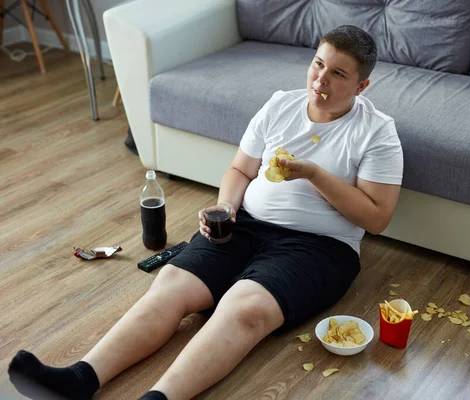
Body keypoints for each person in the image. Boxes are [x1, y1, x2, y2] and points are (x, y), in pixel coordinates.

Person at [8, 25, 403, 400]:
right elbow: (240, 170)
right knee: (171, 284)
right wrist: (226, 207)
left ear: (361, 85)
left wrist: (314, 173)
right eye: (318, 64)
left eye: (337, 74)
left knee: (242, 308)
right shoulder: (281, 104)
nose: (320, 81)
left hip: (320, 247)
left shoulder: (376, 132)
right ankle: (80, 378)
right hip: (245, 224)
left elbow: (376, 218)